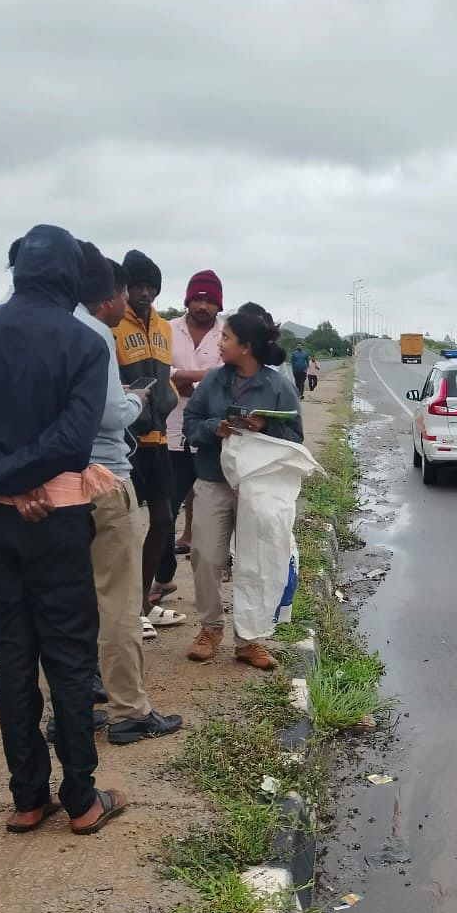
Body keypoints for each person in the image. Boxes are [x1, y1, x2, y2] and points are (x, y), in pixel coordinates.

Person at [0, 225, 126, 834]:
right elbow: (70, 444)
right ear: (71, 278)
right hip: (57, 519)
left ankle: (27, 797)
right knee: (68, 656)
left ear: (18, 272)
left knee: (12, 654)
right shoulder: (84, 344)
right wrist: (13, 482)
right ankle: (83, 800)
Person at [76, 254, 183, 746]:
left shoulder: (0, 331)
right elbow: (109, 412)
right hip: (105, 473)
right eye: (128, 289)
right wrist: (136, 401)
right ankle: (127, 713)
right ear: (110, 294)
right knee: (116, 602)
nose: (135, 298)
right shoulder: (96, 333)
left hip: (51, 485)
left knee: (68, 599)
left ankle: (71, 706)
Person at [183, 309, 304, 670]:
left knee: (256, 560)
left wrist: (264, 426)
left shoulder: (278, 386)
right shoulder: (212, 382)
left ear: (246, 347)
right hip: (213, 478)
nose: (219, 343)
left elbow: (295, 438)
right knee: (204, 555)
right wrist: (214, 428)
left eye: (225, 338)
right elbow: (190, 424)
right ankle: (210, 628)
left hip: (257, 486)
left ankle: (249, 640)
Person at [114, 250, 184, 636]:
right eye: (136, 286)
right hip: (124, 441)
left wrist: (168, 398)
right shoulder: (112, 327)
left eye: (150, 286)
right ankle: (125, 611)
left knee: (163, 519)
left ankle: (143, 603)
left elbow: (164, 375)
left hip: (158, 438)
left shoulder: (164, 327)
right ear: (124, 288)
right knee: (123, 527)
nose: (144, 293)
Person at [151, 269, 225, 603]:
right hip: (169, 432)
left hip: (213, 437)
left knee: (216, 513)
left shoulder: (229, 334)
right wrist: (201, 376)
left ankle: (212, 585)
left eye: (210, 300)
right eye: (198, 298)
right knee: (164, 510)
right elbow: (156, 372)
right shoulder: (166, 330)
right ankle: (164, 578)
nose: (203, 305)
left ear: (218, 304)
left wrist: (184, 381)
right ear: (188, 299)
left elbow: (228, 378)